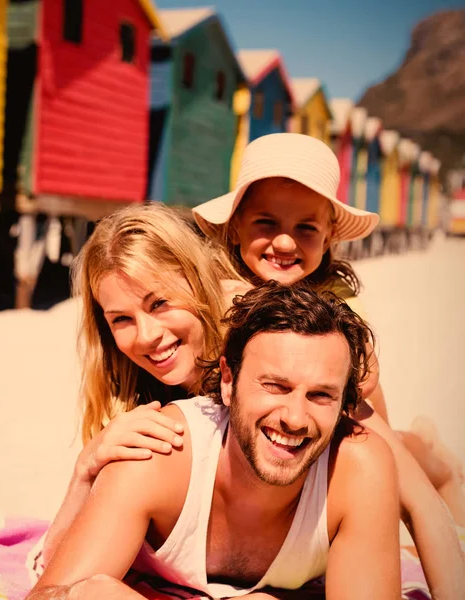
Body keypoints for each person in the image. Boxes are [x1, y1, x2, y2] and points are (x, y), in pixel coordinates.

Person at [190, 132, 465, 597]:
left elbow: (368, 409)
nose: (283, 241)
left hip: (340, 416)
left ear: (328, 237)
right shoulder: (212, 295)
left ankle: (437, 464)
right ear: (234, 226)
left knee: (401, 473)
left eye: (305, 229)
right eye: (265, 222)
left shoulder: (332, 316)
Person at [30, 283, 402, 600]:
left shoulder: (358, 469)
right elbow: (53, 593)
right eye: (274, 386)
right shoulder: (160, 451)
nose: (294, 417)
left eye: (321, 395)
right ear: (227, 380)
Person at [42, 203, 246, 563]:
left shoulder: (254, 344)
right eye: (121, 319)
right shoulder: (134, 395)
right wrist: (85, 469)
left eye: (160, 302)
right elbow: (54, 563)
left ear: (198, 281)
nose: (147, 335)